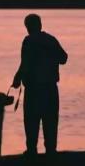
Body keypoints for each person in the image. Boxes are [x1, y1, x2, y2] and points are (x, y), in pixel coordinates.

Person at [11, 14, 67, 156]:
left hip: (34, 89)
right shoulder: (51, 40)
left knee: (31, 120)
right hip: (50, 88)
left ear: (28, 27)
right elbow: (64, 58)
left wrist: (17, 78)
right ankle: (51, 151)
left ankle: (31, 151)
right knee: (51, 121)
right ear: (40, 25)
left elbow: (25, 64)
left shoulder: (28, 41)